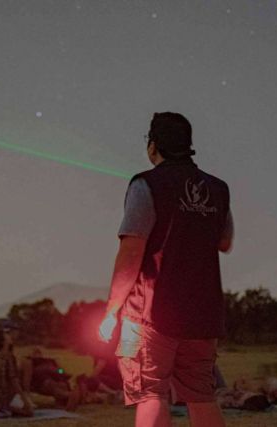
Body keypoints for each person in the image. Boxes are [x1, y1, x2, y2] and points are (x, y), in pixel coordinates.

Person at [99, 112, 233, 427]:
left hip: (147, 313)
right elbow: (224, 241)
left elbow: (131, 251)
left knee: (150, 393)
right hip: (202, 313)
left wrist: (111, 310)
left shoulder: (146, 184)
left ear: (153, 146)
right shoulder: (218, 189)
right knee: (201, 394)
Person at [0, 329, 33, 417]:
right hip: (7, 395)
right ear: (2, 341)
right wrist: (24, 398)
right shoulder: (8, 357)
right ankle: (6, 407)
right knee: (29, 411)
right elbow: (13, 380)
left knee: (24, 406)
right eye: (6, 334)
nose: (9, 335)